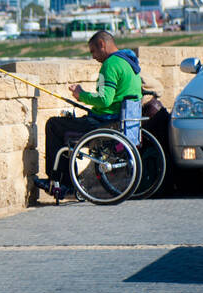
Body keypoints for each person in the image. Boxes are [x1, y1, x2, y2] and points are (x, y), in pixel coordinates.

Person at [35, 30, 143, 200]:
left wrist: (81, 94)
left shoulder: (110, 65)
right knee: (66, 123)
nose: (93, 57)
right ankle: (67, 182)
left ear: (102, 44)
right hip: (120, 122)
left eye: (93, 51)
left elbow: (104, 100)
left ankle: (63, 184)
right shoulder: (129, 62)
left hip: (104, 125)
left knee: (54, 125)